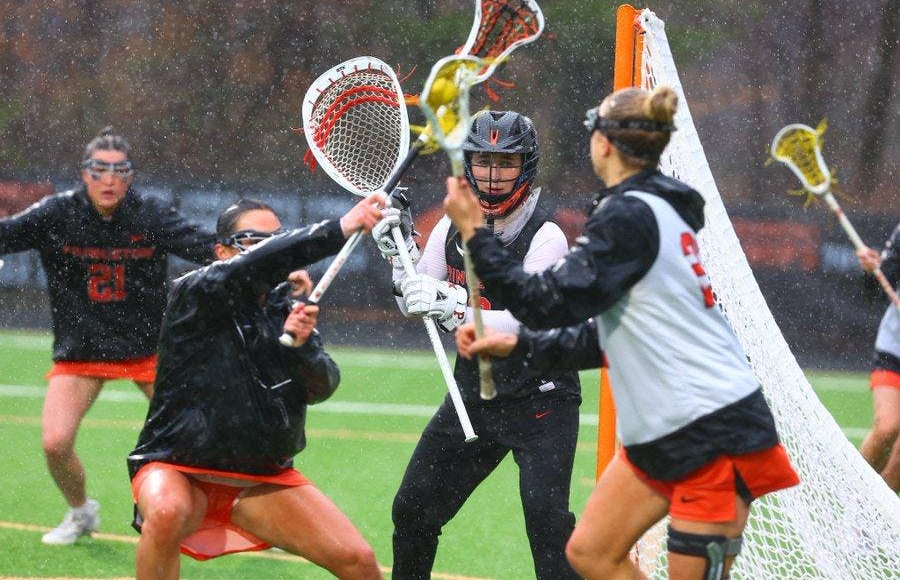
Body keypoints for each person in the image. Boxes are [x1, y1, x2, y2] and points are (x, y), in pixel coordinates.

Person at [444, 87, 801, 580]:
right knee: (591, 553)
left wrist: (475, 233)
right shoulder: (646, 208)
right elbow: (617, 334)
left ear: (605, 144)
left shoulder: (631, 214)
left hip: (710, 429)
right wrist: (521, 346)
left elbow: (542, 302)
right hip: (663, 428)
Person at [127, 195, 384, 580]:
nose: (266, 249)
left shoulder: (285, 308)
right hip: (178, 467)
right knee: (165, 512)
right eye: (253, 241)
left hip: (261, 478)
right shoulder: (194, 292)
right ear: (221, 251)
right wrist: (340, 228)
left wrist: (300, 348)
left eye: (275, 239)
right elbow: (256, 266)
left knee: (359, 562)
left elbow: (323, 386)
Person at [373, 110, 581, 579]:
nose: (492, 175)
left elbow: (523, 325)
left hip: (541, 400)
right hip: (476, 395)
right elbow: (417, 298)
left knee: (548, 529)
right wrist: (397, 253)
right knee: (412, 511)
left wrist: (455, 306)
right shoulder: (449, 227)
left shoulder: (546, 237)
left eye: (505, 163)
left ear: (525, 166)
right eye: (483, 161)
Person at [0, 127, 216, 545]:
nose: (109, 179)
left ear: (131, 176)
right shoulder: (56, 214)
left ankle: (242, 511)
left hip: (149, 348)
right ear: (85, 174)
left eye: (120, 170)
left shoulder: (150, 214)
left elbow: (209, 247)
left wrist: (272, 259)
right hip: (82, 350)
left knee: (203, 435)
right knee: (55, 443)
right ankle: (81, 512)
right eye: (99, 169)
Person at [856, 224, 900, 491]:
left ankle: (870, 527)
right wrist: (873, 271)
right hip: (895, 346)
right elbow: (876, 291)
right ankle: (855, 508)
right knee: (887, 429)